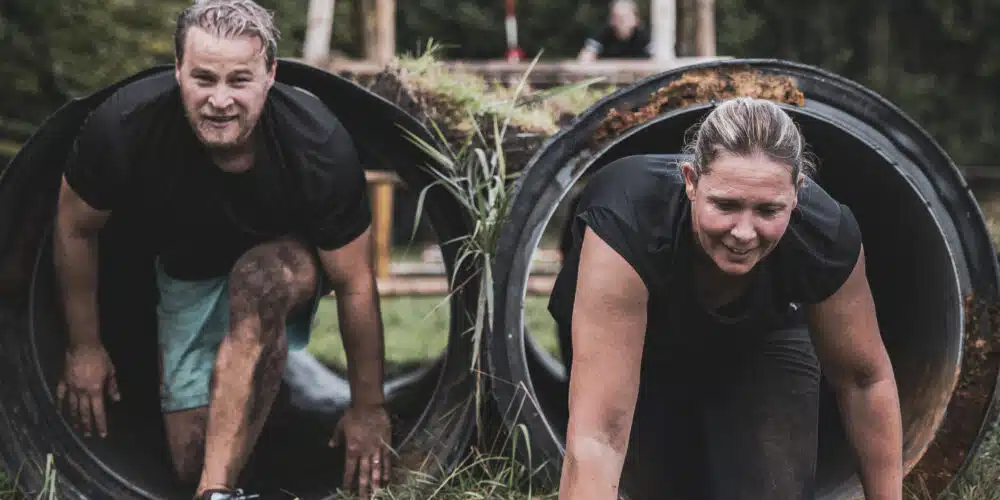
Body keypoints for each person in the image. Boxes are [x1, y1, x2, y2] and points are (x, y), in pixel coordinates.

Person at [52, 1, 392, 499]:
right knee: (191, 461)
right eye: (204, 78)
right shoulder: (125, 125)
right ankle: (234, 446)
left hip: (286, 262)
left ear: (270, 75)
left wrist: (367, 407)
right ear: (178, 70)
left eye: (239, 80)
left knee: (257, 283)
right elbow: (74, 228)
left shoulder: (316, 142)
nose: (219, 100)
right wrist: (84, 346)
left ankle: (216, 494)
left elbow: (355, 281)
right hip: (188, 270)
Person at [549, 97, 904, 499]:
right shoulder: (628, 215)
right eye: (726, 205)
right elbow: (599, 436)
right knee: (655, 484)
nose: (744, 232)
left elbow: (863, 381)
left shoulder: (825, 235)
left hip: (762, 341)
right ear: (691, 181)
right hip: (642, 344)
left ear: (797, 193)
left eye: (768, 210)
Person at [577, 0, 652, 63]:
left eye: (626, 16)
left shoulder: (644, 35)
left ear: (636, 19)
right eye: (617, 17)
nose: (622, 21)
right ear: (611, 19)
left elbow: (656, 59)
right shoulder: (603, 34)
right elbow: (585, 57)